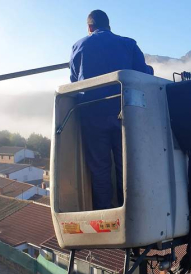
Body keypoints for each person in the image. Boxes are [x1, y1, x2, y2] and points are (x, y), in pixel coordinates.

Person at [70, 10, 153, 210]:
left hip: (92, 116)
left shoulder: (79, 46)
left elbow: (74, 81)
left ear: (90, 28)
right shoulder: (129, 44)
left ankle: (106, 214)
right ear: (109, 26)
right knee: (126, 166)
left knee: (99, 170)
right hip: (125, 115)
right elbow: (145, 75)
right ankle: (128, 212)